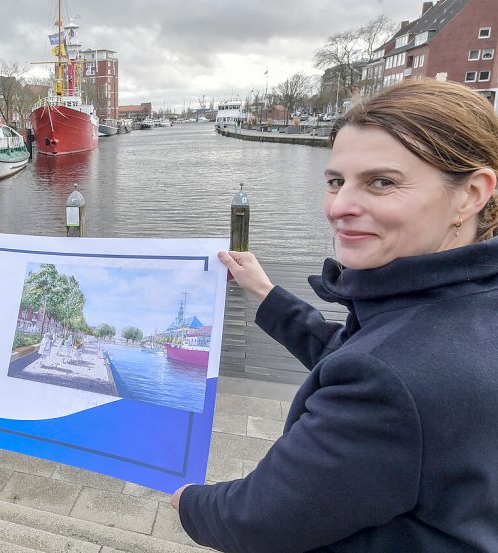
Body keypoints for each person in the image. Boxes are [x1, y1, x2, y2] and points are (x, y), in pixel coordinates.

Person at [172, 79, 498, 552]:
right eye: (335, 181)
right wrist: (265, 294)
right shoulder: (463, 304)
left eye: (381, 182)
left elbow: (258, 520)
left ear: (471, 194)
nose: (339, 206)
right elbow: (361, 354)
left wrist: (189, 503)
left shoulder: (390, 381)